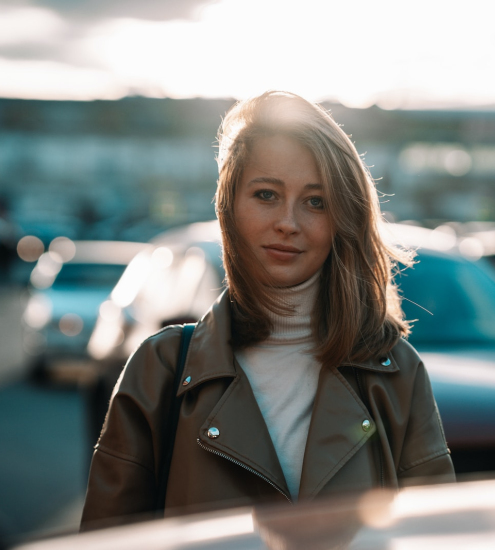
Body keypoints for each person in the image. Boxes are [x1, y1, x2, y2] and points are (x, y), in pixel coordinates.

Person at [81, 91, 454, 530]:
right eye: (266, 194)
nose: (288, 222)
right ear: (228, 208)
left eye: (316, 201)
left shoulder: (397, 375)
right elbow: (107, 538)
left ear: (342, 219)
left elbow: (436, 535)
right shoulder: (159, 370)